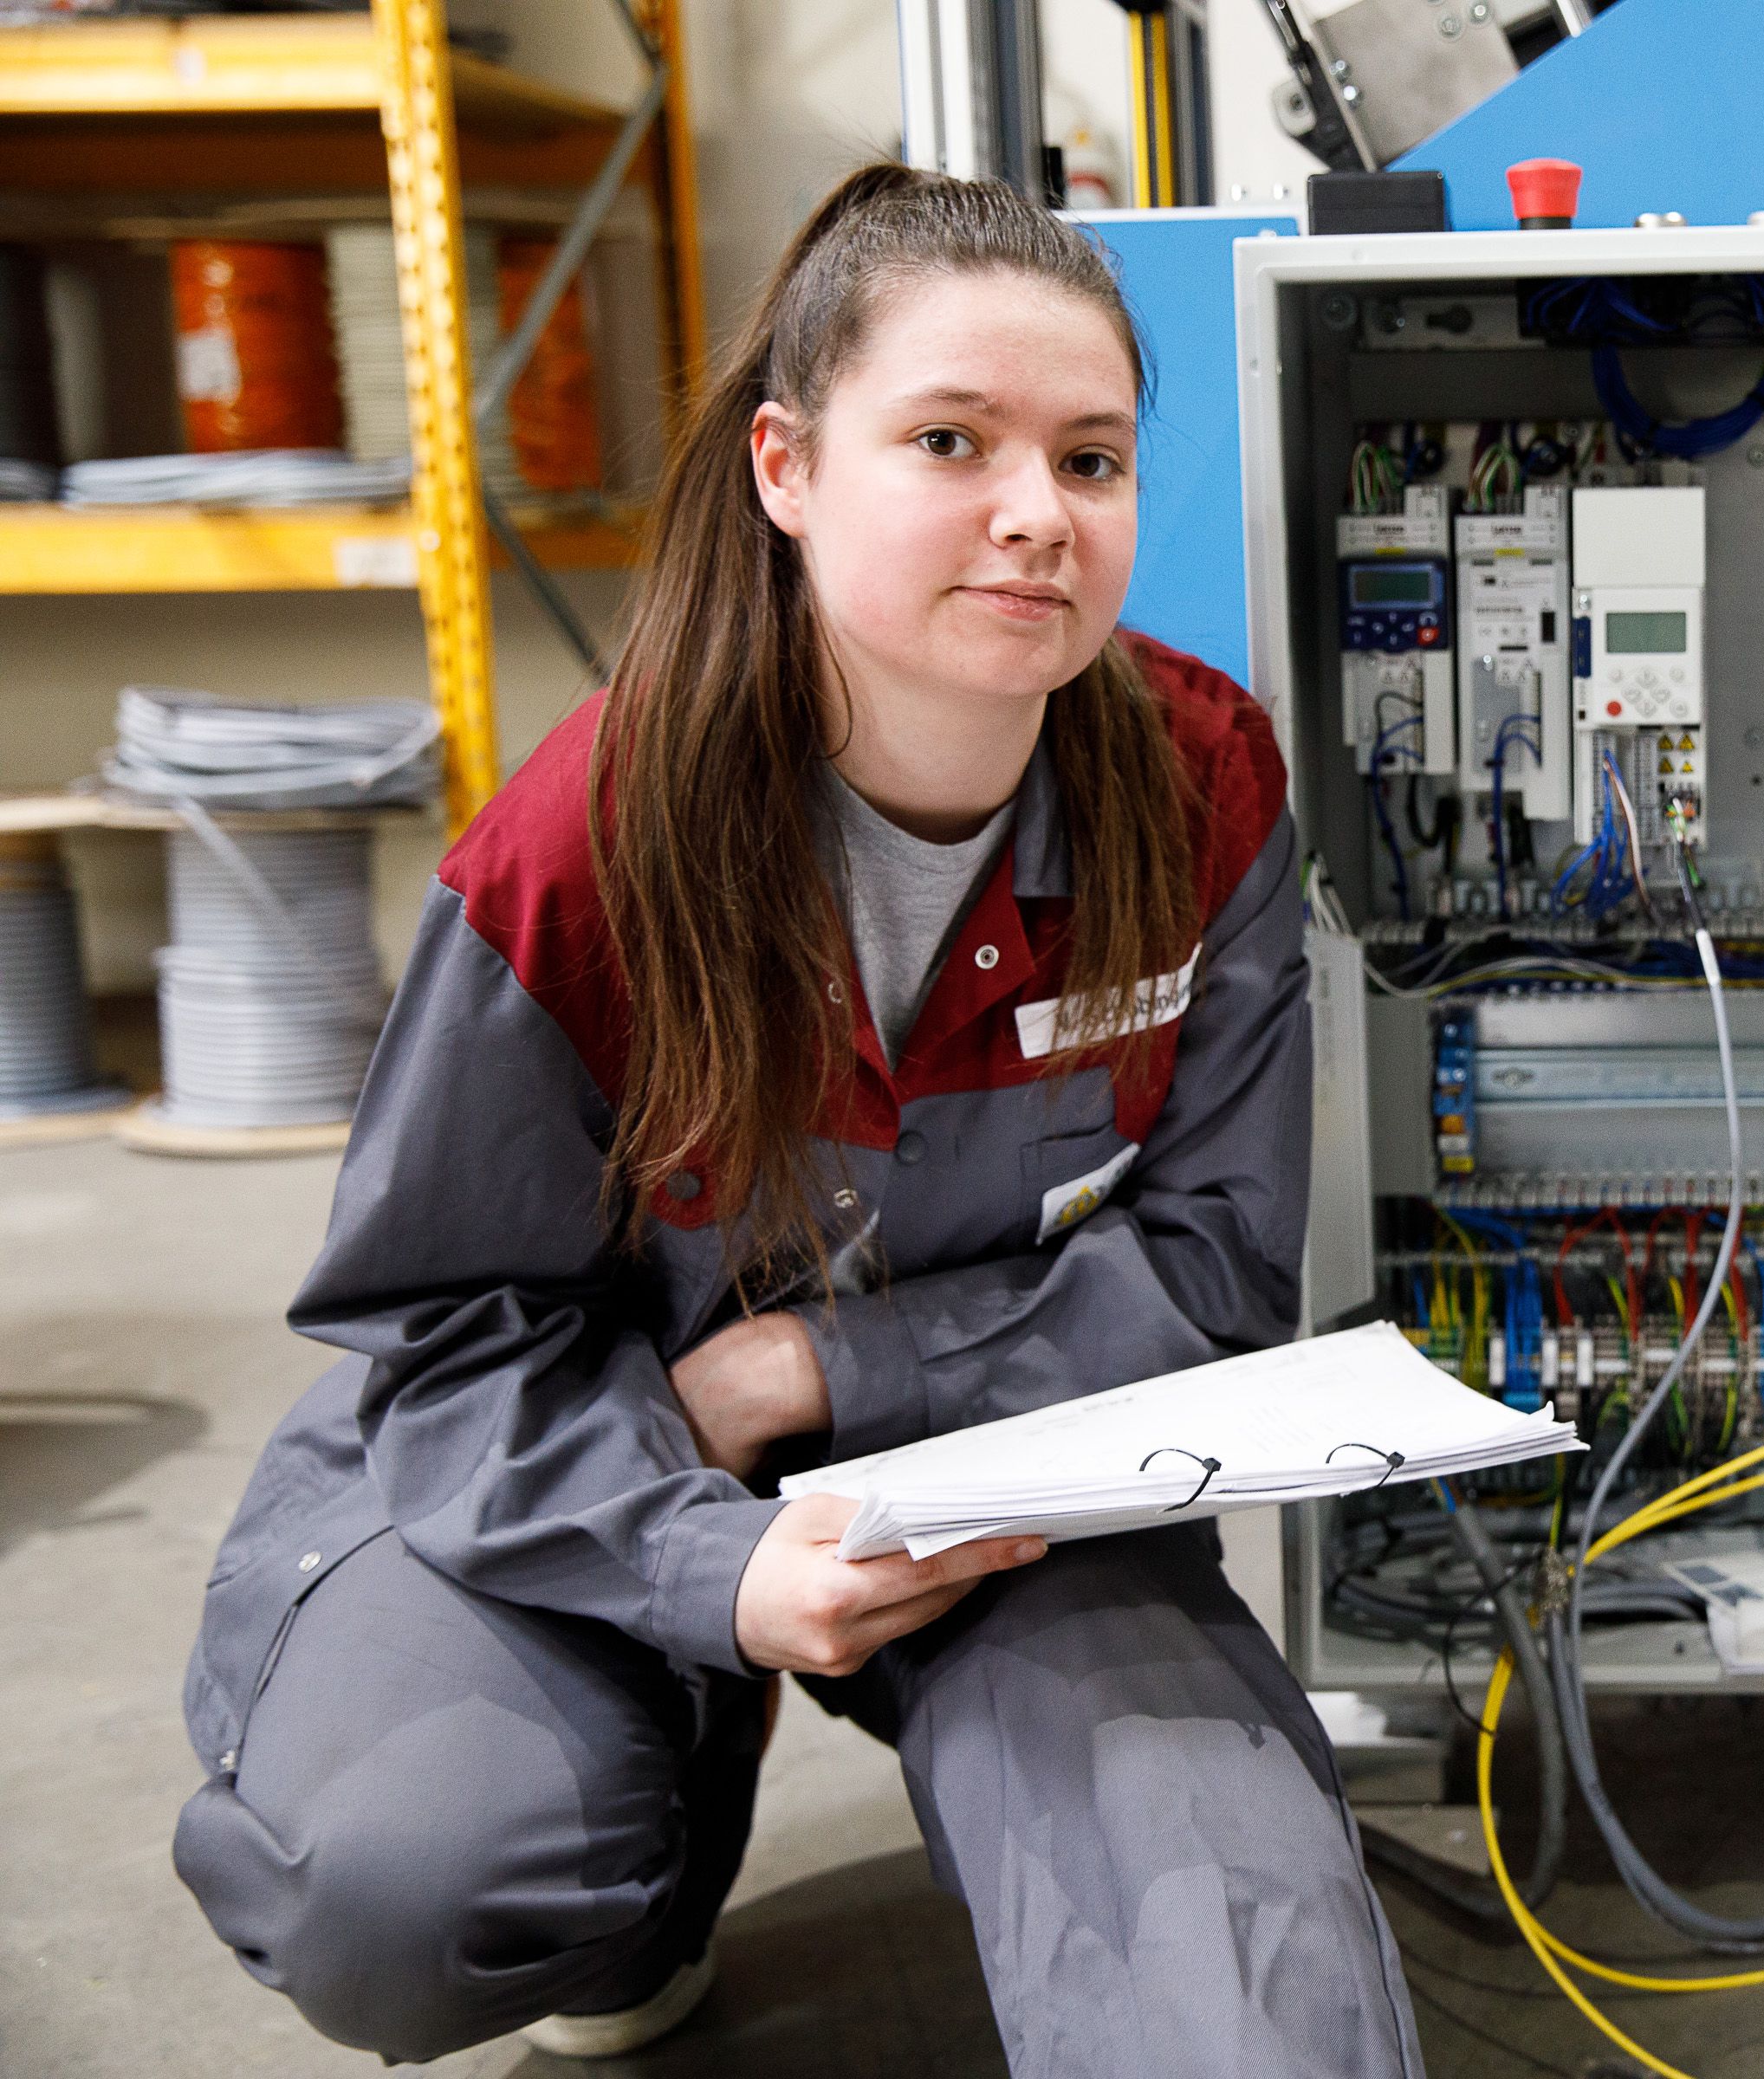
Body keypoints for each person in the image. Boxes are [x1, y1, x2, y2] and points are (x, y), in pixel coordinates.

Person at [169, 165, 1425, 2076]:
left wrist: (822, 1372)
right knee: (406, 1888)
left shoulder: (1202, 784)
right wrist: (709, 1568)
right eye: (951, 440)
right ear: (786, 466)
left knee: (1239, 2010)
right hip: (583, 1458)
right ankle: (655, 1819)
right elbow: (442, 1333)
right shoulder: (591, 843)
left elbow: (1223, 1263)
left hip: (1001, 1471)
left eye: (1091, 461)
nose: (1036, 517)